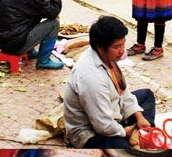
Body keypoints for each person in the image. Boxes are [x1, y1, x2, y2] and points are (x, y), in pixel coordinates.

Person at [64, 16, 156, 149]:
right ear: (101, 48)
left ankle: (137, 128)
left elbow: (123, 92)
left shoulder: (108, 57)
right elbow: (102, 125)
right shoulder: (91, 77)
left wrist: (139, 116)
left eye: (123, 44)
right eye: (117, 46)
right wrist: (124, 132)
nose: (122, 50)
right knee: (123, 150)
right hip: (91, 131)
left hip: (113, 110)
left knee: (147, 95)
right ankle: (133, 133)